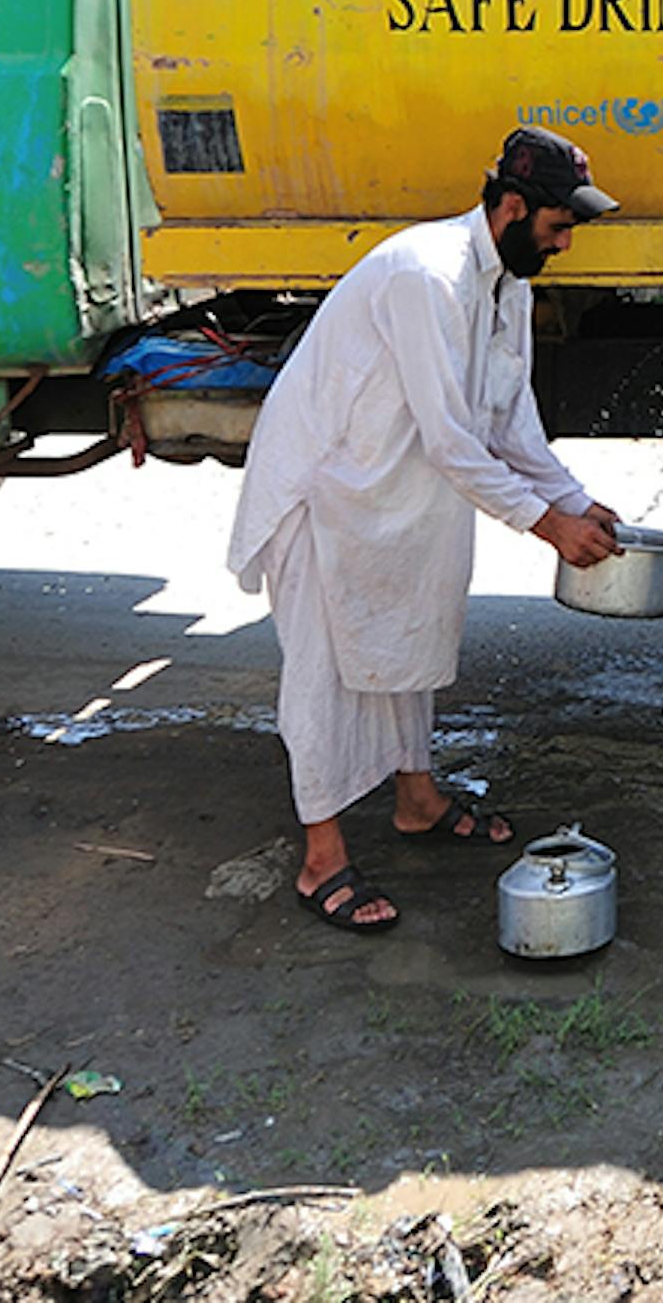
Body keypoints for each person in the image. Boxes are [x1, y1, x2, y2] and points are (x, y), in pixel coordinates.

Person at [222, 125, 627, 936]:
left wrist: (577, 501)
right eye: (557, 222)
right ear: (512, 206)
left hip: (396, 490)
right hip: (328, 487)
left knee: (410, 636)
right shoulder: (426, 275)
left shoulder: (508, 284)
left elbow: (510, 418)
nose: (566, 239)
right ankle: (321, 859)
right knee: (325, 672)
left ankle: (416, 800)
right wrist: (548, 525)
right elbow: (451, 438)